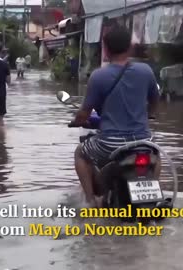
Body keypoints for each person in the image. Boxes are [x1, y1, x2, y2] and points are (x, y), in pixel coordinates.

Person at [70, 25, 160, 207]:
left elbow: (84, 113)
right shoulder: (146, 71)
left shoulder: (98, 76)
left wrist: (77, 120)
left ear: (106, 49)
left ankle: (90, 200)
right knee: (155, 157)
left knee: (80, 152)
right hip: (143, 140)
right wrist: (149, 115)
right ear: (129, 47)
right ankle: (152, 193)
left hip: (110, 144)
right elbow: (155, 101)